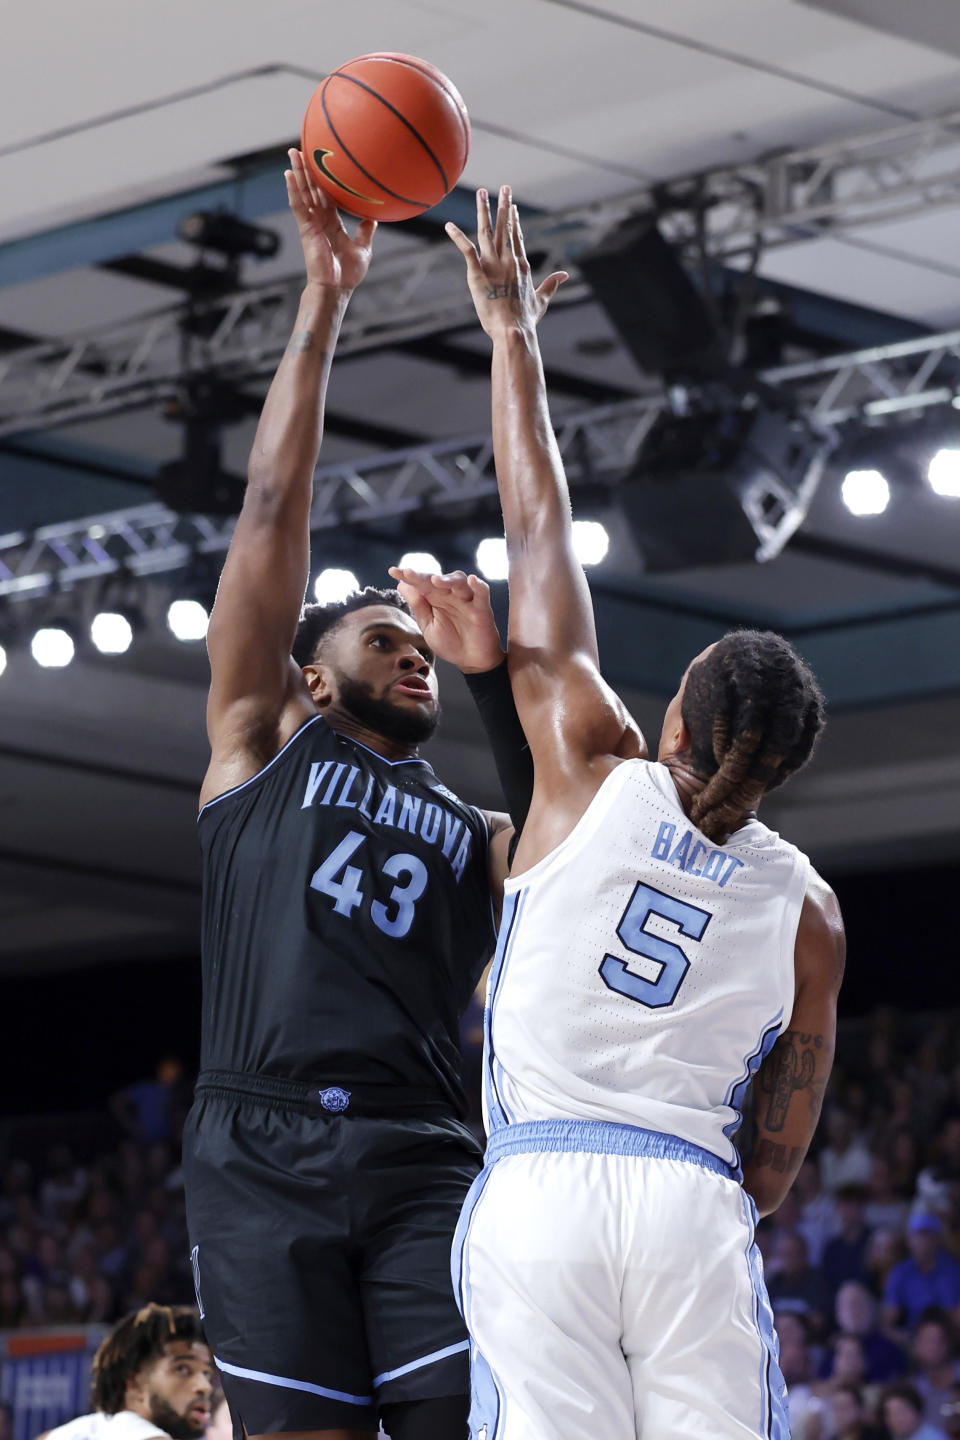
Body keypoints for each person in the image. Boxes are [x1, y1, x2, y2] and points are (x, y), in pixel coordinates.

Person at [441, 184, 846, 1440]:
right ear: (779, 768)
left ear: (671, 722)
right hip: (688, 1202)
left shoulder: (583, 767)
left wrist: (514, 336)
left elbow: (537, 531)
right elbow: (775, 1163)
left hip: (542, 1195)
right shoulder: (811, 911)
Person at [182, 151, 530, 1440]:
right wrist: (324, 297)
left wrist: (492, 673)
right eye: (381, 634)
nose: (411, 646)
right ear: (312, 680)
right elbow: (273, 506)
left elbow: (570, 802)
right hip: (259, 1151)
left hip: (423, 1154)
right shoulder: (264, 738)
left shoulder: (477, 832)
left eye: (420, 643)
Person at [36, 1304, 212, 1440]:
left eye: (206, 1373)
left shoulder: (54, 1435)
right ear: (133, 1382)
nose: (205, 1387)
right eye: (183, 1369)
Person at [884, 1215, 960, 1334]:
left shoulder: (953, 1270)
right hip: (911, 1335)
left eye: (928, 1235)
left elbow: (955, 1312)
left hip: (946, 1334)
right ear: (909, 1240)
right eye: (918, 1235)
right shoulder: (900, 1272)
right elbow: (890, 1313)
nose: (923, 1241)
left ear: (937, 1240)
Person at [881, 1383, 950, 1440]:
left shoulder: (934, 1437)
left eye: (901, 1411)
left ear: (917, 1411)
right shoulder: (897, 1437)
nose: (896, 1419)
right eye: (890, 1414)